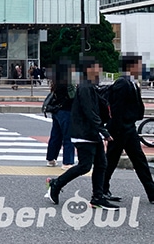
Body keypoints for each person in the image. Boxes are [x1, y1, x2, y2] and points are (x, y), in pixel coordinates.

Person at [45, 59, 119, 209]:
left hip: (90, 132)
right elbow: (89, 111)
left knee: (101, 163)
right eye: (98, 67)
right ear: (89, 69)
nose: (100, 70)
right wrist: (103, 131)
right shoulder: (85, 87)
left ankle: (97, 197)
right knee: (85, 166)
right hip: (84, 132)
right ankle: (56, 184)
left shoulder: (90, 85)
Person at [102, 55, 154, 204]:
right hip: (120, 129)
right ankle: (101, 190)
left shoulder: (131, 82)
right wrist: (117, 130)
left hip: (129, 128)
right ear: (130, 67)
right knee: (111, 161)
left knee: (139, 161)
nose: (141, 68)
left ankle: (152, 192)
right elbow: (117, 109)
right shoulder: (122, 83)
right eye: (138, 65)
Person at [45, 61, 76, 169]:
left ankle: (51, 159)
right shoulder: (68, 82)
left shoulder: (56, 81)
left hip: (56, 111)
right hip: (66, 111)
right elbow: (73, 96)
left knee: (55, 136)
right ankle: (67, 162)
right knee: (68, 137)